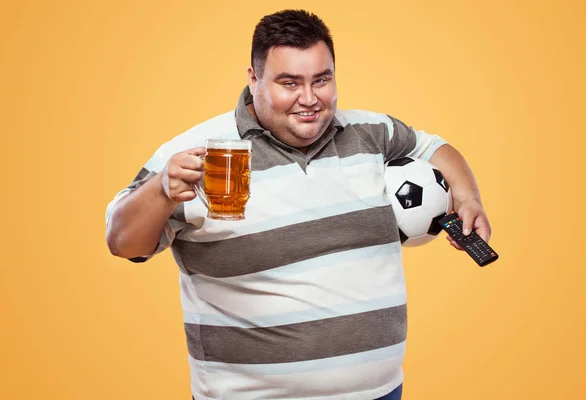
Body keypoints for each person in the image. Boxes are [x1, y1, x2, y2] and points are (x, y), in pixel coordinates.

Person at [105, 9, 492, 400]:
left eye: (321, 80)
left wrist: (467, 196)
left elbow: (432, 147)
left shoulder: (371, 133)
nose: (309, 99)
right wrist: (160, 190)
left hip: (381, 392)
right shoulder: (200, 151)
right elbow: (122, 242)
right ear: (253, 78)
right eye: (289, 83)